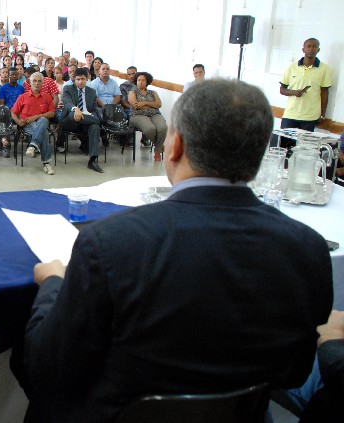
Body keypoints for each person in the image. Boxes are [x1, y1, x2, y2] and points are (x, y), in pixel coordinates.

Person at [20, 78, 334, 423]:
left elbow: (47, 367)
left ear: (176, 145)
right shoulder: (308, 248)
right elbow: (295, 371)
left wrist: (52, 284)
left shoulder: (110, 243)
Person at [279, 38, 332, 138]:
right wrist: (294, 92)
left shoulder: (324, 69)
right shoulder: (292, 67)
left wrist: (322, 115)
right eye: (308, 46)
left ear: (318, 50)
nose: (311, 49)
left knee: (303, 146)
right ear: (303, 49)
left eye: (314, 46)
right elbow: (282, 90)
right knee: (284, 144)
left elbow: (325, 92)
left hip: (310, 117)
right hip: (290, 115)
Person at [59, 67, 103, 172]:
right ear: (74, 79)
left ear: (87, 79)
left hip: (86, 122)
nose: (80, 82)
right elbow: (67, 102)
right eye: (78, 79)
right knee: (73, 114)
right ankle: (102, 123)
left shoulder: (91, 92)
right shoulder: (68, 88)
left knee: (95, 127)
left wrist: (92, 115)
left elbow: (94, 109)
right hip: (70, 121)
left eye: (83, 79)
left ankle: (92, 160)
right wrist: (76, 109)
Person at [11, 72, 55, 175]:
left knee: (43, 120)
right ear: (30, 83)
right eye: (34, 81)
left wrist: (37, 116)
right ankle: (46, 163)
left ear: (42, 83)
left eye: (39, 81)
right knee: (44, 132)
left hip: (41, 123)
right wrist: (18, 121)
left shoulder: (47, 97)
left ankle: (32, 146)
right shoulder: (23, 97)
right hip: (27, 125)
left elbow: (52, 113)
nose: (37, 83)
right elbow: (13, 112)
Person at [128, 71, 168, 161]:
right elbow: (136, 105)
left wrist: (144, 103)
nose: (140, 82)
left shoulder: (153, 92)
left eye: (143, 80)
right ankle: (159, 147)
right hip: (137, 115)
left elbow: (159, 104)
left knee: (163, 128)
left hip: (155, 114)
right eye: (139, 80)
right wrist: (152, 104)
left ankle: (157, 150)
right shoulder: (132, 93)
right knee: (150, 129)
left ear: (147, 82)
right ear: (136, 81)